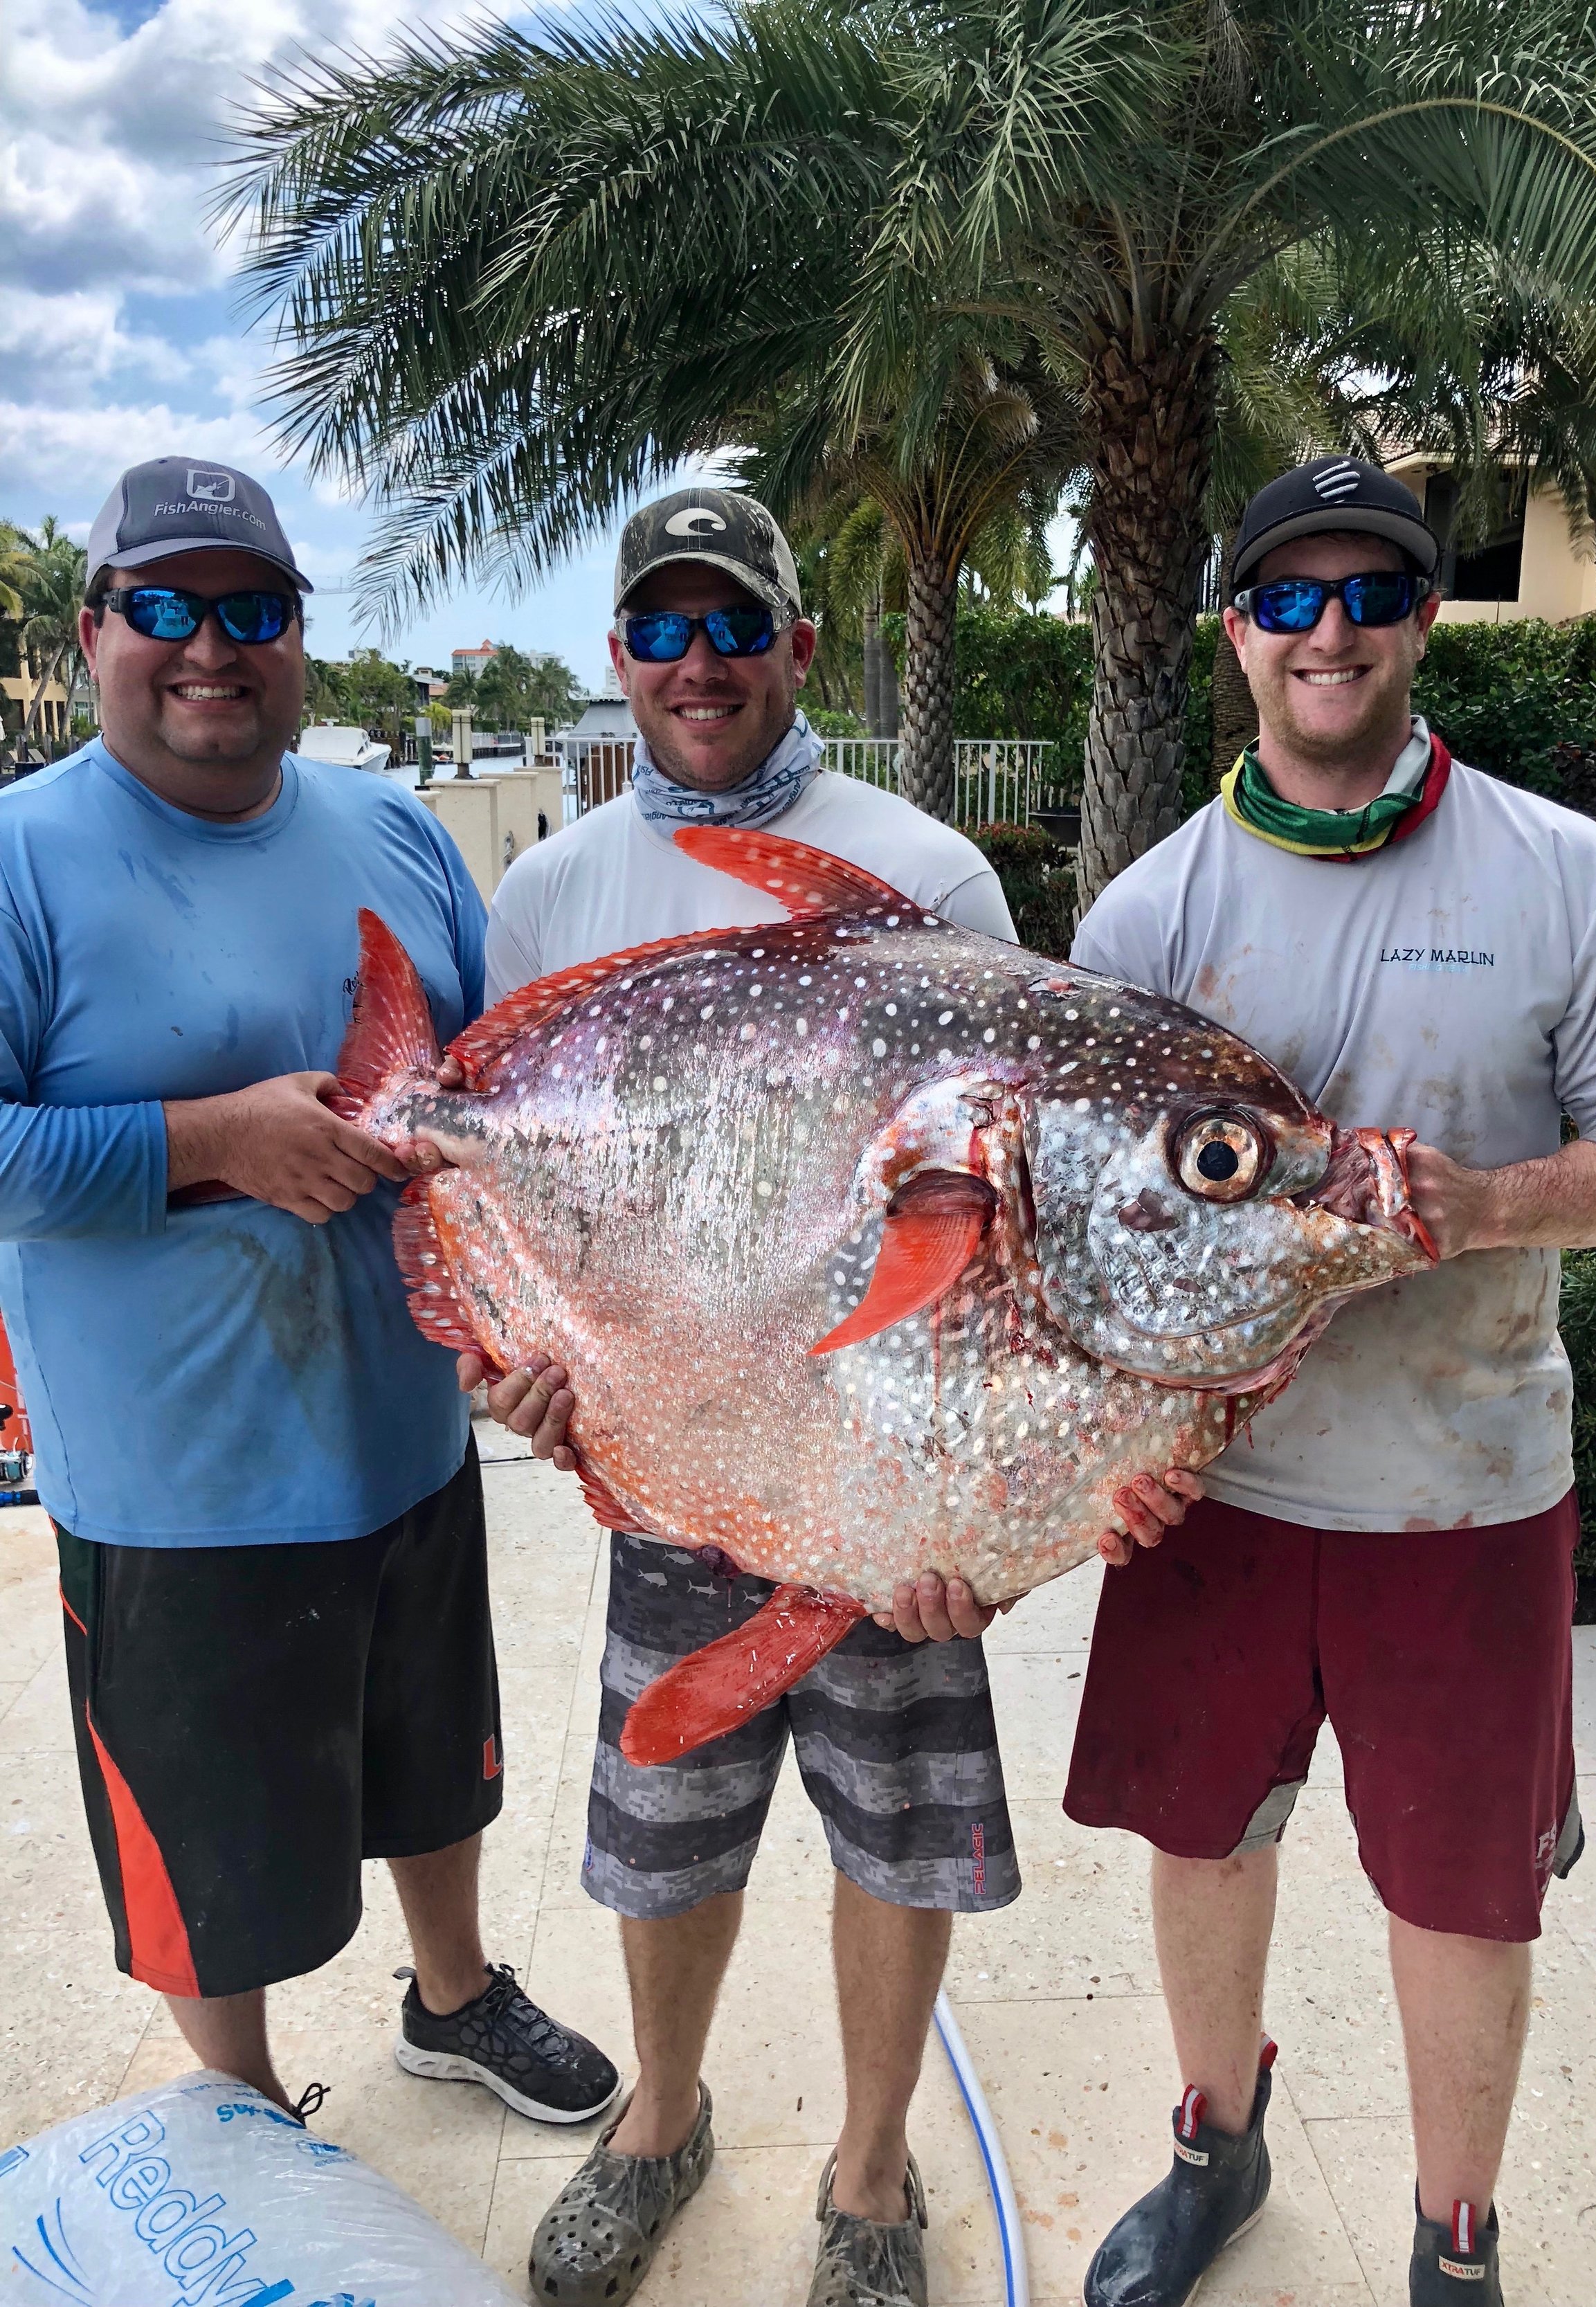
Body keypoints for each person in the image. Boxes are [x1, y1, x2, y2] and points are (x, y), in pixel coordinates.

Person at [1063, 457, 1596, 2307]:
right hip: (1211, 1487)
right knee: (1201, 1838)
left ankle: (1453, 2234)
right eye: (1287, 595)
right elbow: (1076, 1248)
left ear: (1424, 617)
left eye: (1369, 590)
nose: (1327, 626)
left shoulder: (1556, 869)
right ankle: (1214, 2134)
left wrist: (1486, 1200)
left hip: (1465, 1477)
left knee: (1459, 1885)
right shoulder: (1145, 919)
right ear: (1236, 633)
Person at [0, 457, 618, 2129]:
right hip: (174, 1491)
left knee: (434, 1764)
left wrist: (543, 1331)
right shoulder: (21, 859)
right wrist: (213, 1140)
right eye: (168, 607)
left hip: (403, 1442)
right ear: (94, 631)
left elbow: (500, 1115)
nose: (213, 646)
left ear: (298, 638)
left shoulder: (396, 828)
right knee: (216, 1850)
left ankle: (455, 1990)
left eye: (254, 610)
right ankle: (245, 2114)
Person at [464, 487, 1024, 2307]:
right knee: (663, 1832)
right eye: (661, 629)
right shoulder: (548, 889)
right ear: (618, 656)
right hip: (677, 1453)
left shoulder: (930, 876)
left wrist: (987, 1507)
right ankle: (661, 2117)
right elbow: (499, 1187)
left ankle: (870, 2171)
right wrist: (523, 1371)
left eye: (733, 626)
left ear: (794, 639)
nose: (698, 663)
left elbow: (997, 1226)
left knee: (898, 1826)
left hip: (886, 1461)